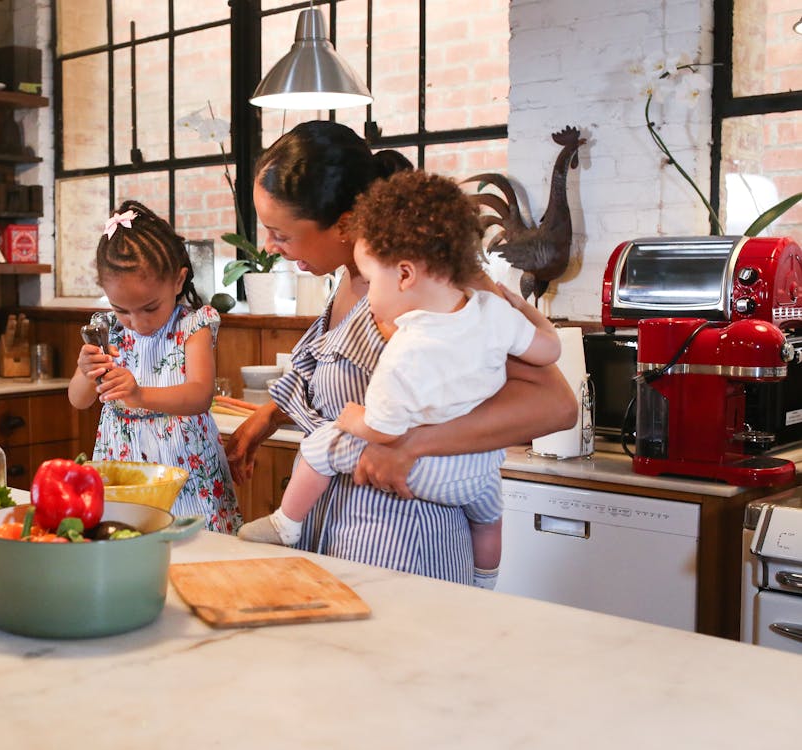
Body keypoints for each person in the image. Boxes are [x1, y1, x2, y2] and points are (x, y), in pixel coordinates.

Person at [226, 121, 577, 583]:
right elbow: (339, 367)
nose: (269, 247)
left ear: (346, 223)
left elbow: (555, 405)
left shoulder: (441, 283)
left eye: (281, 234)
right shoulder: (353, 280)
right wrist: (270, 414)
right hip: (336, 535)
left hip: (407, 543)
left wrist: (412, 445)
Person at [68, 199, 242, 533]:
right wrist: (84, 370)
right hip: (125, 466)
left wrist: (139, 393)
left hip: (185, 467)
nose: (137, 322)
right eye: (122, 309)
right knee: (127, 540)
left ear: (178, 282)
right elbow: (79, 400)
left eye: (149, 308)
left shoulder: (193, 327)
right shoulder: (107, 331)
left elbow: (199, 395)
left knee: (197, 548)